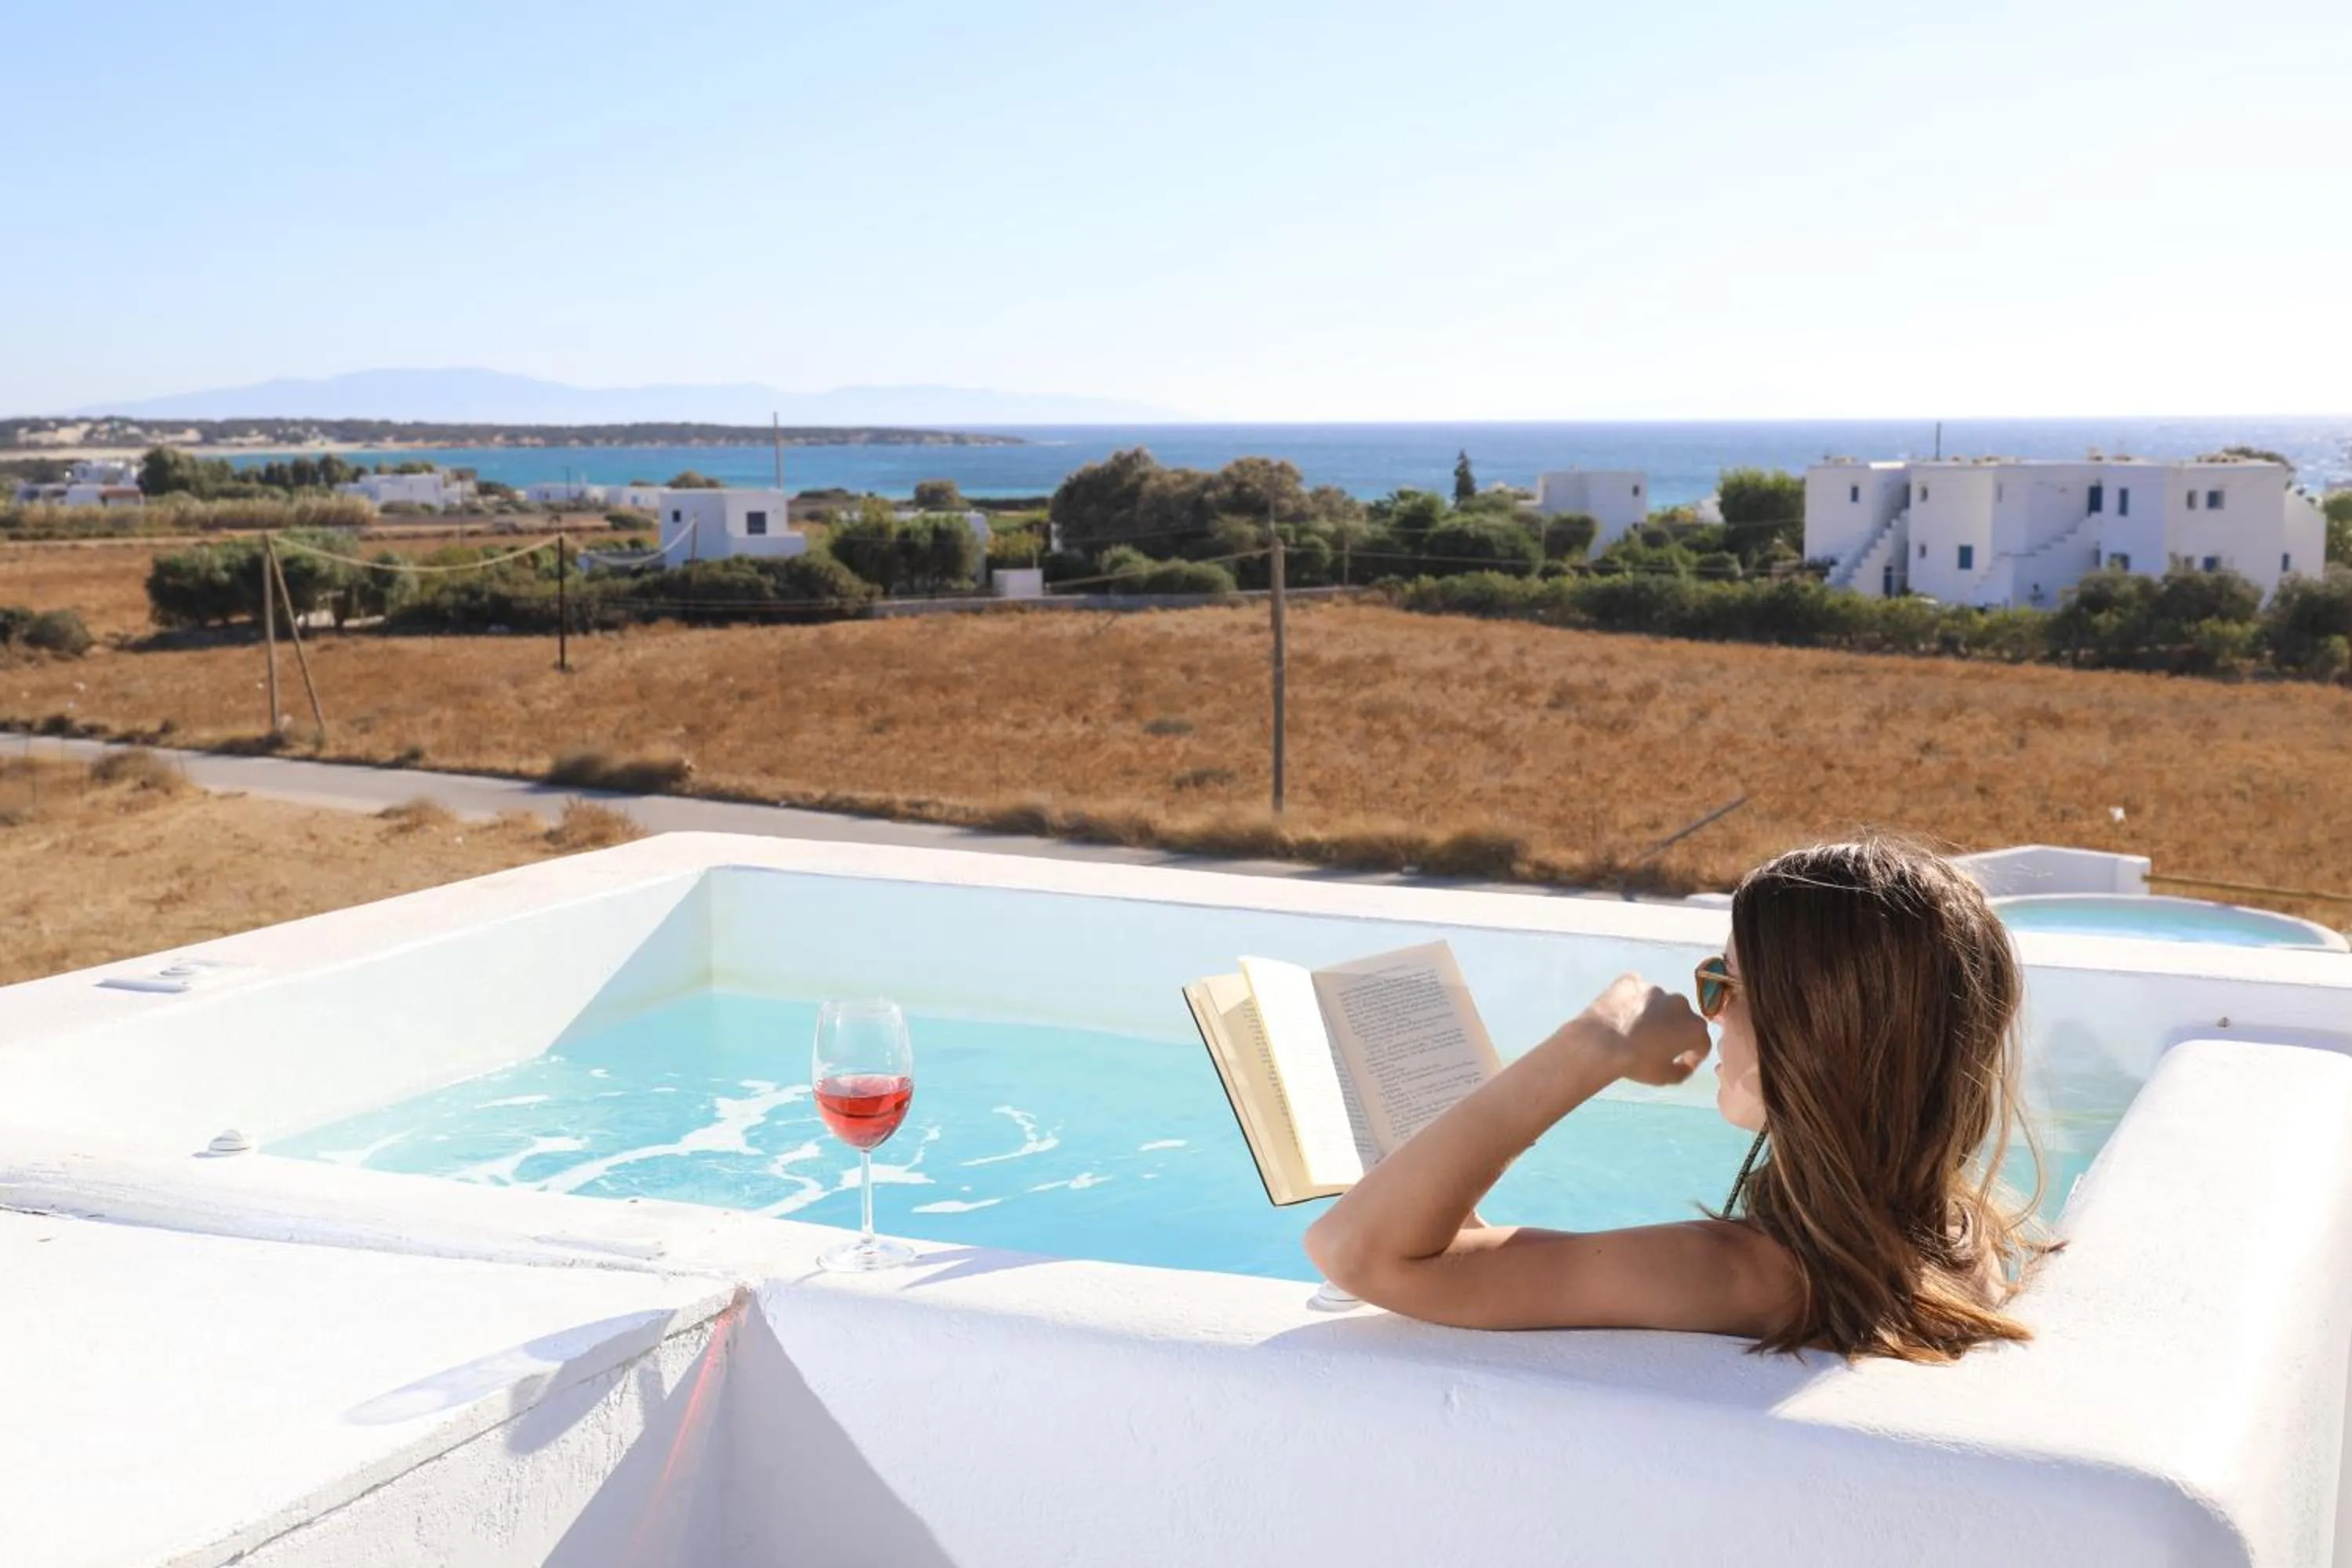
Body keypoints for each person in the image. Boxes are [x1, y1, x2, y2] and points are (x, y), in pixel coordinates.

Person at [1303, 837, 2047, 1362]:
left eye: (1726, 983)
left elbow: (1356, 1253)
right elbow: (1466, 1272)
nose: (1712, 1011)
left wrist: (1593, 1046)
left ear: (1821, 1031)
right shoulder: (1959, 1232)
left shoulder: (1741, 1273)